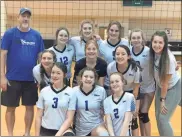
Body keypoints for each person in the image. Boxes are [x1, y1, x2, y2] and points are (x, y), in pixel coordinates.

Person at [1, 7, 44, 136]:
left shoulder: (36, 35)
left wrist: (40, 78)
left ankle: (26, 133)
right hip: (12, 78)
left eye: (27, 16)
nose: (25, 18)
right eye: (23, 16)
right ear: (18, 17)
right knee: (10, 108)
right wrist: (2, 77)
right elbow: (2, 55)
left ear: (29, 19)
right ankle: (10, 134)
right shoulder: (9, 34)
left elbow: (41, 57)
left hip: (31, 79)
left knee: (30, 107)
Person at [149, 31, 181, 136]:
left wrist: (162, 100)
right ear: (151, 42)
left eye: (160, 42)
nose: (157, 45)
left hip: (173, 87)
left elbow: (165, 83)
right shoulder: (153, 52)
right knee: (158, 117)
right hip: (161, 86)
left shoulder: (168, 59)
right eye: (155, 42)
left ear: (164, 44)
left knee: (163, 118)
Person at [107, 45, 142, 136]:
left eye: (123, 54)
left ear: (129, 56)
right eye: (117, 54)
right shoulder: (111, 67)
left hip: (131, 93)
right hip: (117, 93)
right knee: (119, 117)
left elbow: (136, 88)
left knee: (133, 118)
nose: (120, 56)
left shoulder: (135, 69)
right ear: (114, 56)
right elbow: (112, 85)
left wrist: (134, 104)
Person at [35, 62, 76, 136]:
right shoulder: (44, 91)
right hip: (46, 130)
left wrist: (58, 135)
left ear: (64, 75)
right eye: (53, 72)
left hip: (63, 130)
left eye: (58, 73)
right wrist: (37, 135)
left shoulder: (71, 92)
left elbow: (69, 119)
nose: (54, 75)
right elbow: (38, 116)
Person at [129, 29, 155, 136]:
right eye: (133, 38)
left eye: (138, 37)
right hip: (135, 87)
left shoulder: (149, 51)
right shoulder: (128, 51)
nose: (136, 40)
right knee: (137, 114)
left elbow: (161, 58)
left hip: (148, 86)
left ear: (142, 39)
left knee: (143, 113)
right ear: (130, 40)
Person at [72, 67, 109, 136]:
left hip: (96, 125)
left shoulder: (101, 90)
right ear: (81, 78)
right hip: (80, 128)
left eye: (91, 77)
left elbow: (105, 110)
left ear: (95, 79)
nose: (88, 79)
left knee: (104, 135)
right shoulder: (74, 91)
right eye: (86, 76)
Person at [99, 21, 129, 94]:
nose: (113, 33)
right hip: (108, 82)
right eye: (111, 30)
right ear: (108, 30)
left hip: (123, 82)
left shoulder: (126, 43)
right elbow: (99, 63)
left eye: (116, 31)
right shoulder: (102, 44)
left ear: (119, 32)